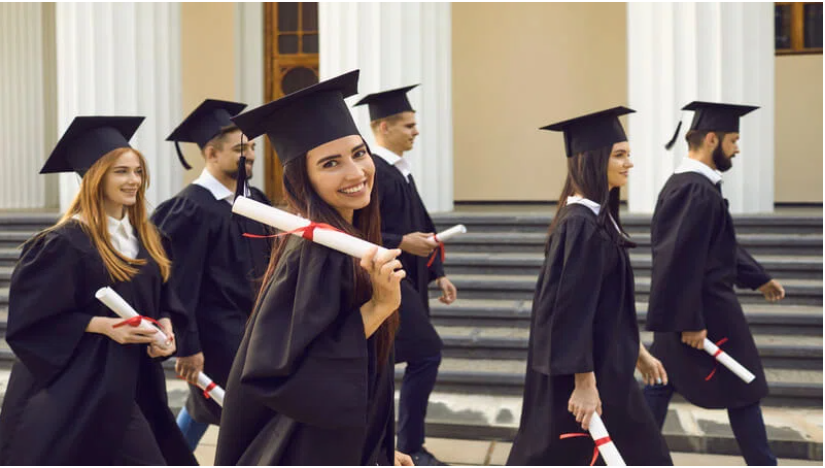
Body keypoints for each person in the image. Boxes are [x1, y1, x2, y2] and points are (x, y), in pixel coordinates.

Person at [214, 70, 413, 466]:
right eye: (330, 163)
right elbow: (280, 375)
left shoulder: (345, 239)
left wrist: (380, 449)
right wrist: (379, 307)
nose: (356, 173)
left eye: (359, 153)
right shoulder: (317, 253)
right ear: (304, 178)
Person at [0, 117, 197, 465]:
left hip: (138, 383)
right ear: (95, 177)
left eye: (138, 171)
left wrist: (166, 327)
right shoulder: (62, 245)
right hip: (83, 385)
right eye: (121, 171)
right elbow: (31, 323)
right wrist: (102, 325)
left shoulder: (149, 239)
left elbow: (166, 300)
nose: (134, 180)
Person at [507, 107, 672, 466]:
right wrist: (584, 383)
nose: (630, 162)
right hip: (589, 374)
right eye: (619, 154)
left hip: (607, 367)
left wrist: (638, 351)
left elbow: (604, 304)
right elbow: (569, 310)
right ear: (593, 160)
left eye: (628, 153)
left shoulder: (597, 217)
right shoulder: (580, 225)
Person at [645, 101, 786, 466]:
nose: (737, 148)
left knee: (660, 384)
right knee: (744, 389)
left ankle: (636, 457)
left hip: (694, 310)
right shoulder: (693, 190)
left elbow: (714, 247)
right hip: (704, 313)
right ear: (712, 139)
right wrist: (689, 320)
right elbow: (677, 259)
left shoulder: (697, 187)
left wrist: (759, 278)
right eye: (733, 139)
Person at [151, 99, 273, 450]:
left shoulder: (255, 200)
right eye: (239, 149)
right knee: (240, 416)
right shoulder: (191, 209)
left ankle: (168, 457)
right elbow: (178, 286)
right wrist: (188, 347)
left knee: (208, 408)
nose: (249, 155)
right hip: (217, 338)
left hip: (256, 330)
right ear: (211, 154)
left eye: (251, 147)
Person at [355, 85, 457, 465]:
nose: (416, 131)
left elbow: (423, 227)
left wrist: (438, 273)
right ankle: (407, 444)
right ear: (382, 127)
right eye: (409, 125)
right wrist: (402, 242)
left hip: (411, 279)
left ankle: (394, 447)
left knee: (397, 360)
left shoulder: (401, 172)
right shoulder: (374, 172)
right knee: (425, 354)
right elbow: (360, 230)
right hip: (386, 281)